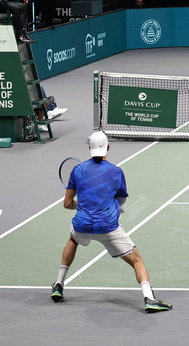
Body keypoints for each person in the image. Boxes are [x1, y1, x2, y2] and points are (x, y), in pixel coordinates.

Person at [51, 131, 173, 312]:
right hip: (108, 228)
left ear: (89, 148)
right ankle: (149, 298)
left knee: (73, 239)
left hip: (82, 225)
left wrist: (84, 205)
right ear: (108, 147)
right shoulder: (116, 172)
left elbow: (67, 204)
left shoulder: (77, 170)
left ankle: (59, 285)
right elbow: (122, 204)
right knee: (137, 261)